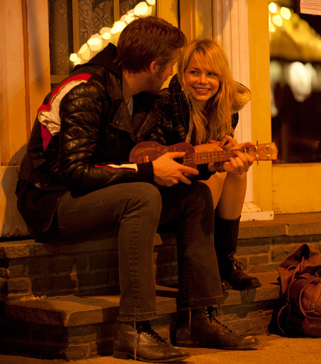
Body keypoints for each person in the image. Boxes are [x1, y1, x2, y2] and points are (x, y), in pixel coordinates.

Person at [15, 17, 258, 363]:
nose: (172, 74)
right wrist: (145, 172)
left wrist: (215, 164)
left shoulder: (142, 98)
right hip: (52, 202)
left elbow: (149, 158)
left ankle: (201, 318)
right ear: (154, 65)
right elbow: (74, 172)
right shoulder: (86, 90)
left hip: (99, 194)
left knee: (195, 195)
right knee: (143, 195)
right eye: (172, 65)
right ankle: (134, 328)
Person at [150, 38, 262, 292]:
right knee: (218, 176)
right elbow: (157, 158)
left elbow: (219, 160)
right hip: (170, 194)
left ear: (221, 78)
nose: (203, 81)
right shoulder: (166, 103)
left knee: (236, 173)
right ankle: (206, 264)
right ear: (182, 73)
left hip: (202, 189)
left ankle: (226, 261)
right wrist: (199, 153)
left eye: (211, 74)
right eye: (195, 72)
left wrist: (229, 150)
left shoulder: (225, 108)